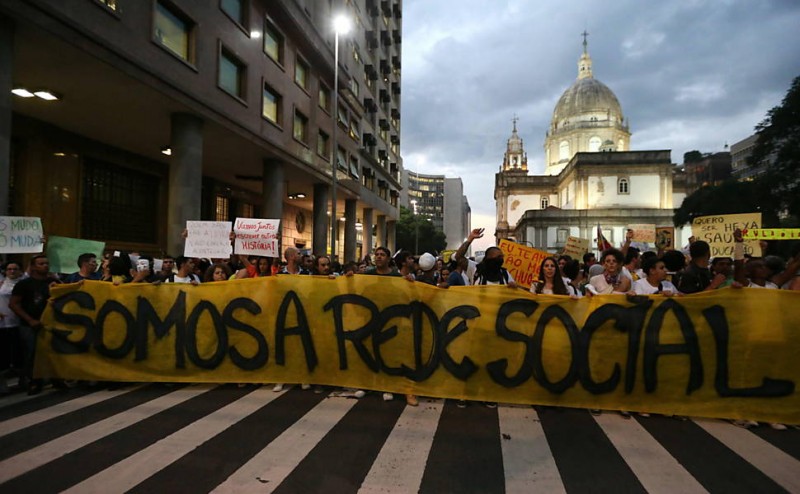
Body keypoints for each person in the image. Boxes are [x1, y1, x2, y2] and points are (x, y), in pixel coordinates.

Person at [362, 246, 417, 406]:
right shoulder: (367, 275)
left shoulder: (396, 277)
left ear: (388, 258)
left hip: (390, 321)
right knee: (371, 352)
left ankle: (390, 386)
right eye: (376, 254)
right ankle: (368, 385)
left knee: (390, 354)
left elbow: (405, 296)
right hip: (372, 319)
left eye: (382, 255)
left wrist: (410, 284)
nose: (378, 257)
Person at [9, 255, 60, 395]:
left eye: (47, 263)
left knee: (53, 352)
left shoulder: (54, 282)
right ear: (32, 266)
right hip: (30, 325)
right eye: (41, 263)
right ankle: (34, 381)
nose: (45, 266)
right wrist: (30, 320)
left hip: (51, 324)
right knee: (32, 354)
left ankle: (56, 379)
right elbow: (13, 304)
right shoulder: (24, 284)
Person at [0, 261, 24, 393]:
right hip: (3, 324)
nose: (12, 271)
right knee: (3, 354)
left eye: (15, 269)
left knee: (19, 354)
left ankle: (23, 380)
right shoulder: (2, 283)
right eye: (9, 269)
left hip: (19, 323)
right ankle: (2, 384)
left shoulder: (23, 283)